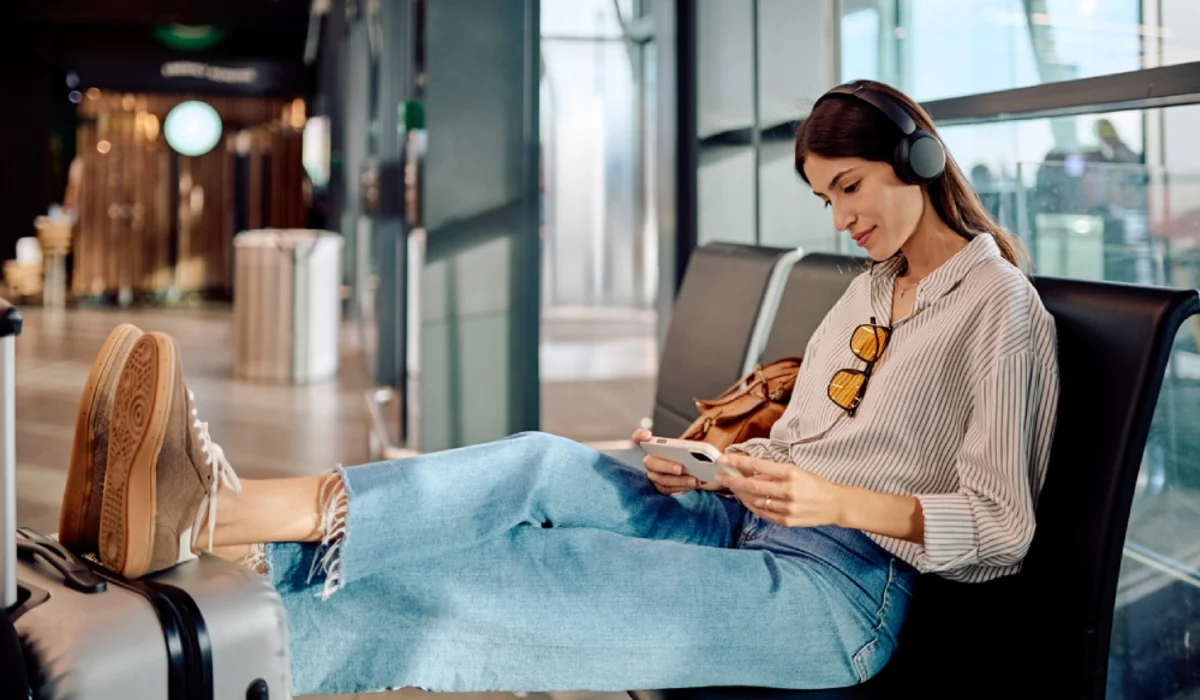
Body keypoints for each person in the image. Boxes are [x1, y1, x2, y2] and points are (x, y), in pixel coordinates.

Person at [56, 80, 1059, 695]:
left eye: (849, 187)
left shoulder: (998, 308)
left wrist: (833, 499)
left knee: (496, 576)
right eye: (823, 197)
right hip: (743, 519)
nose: (840, 217)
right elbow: (810, 442)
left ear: (917, 159)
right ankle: (215, 513)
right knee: (538, 464)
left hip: (836, 596)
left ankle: (182, 646)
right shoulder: (870, 294)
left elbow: (1004, 527)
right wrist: (723, 465)